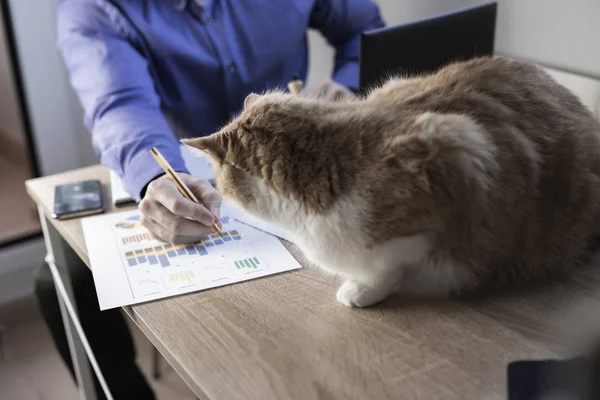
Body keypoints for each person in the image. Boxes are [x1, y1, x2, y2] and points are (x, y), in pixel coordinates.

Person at [35, 0, 384, 398]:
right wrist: (154, 178)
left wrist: (351, 86)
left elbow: (362, 27)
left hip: (298, 164)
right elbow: (119, 104)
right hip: (186, 169)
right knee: (61, 278)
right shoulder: (94, 7)